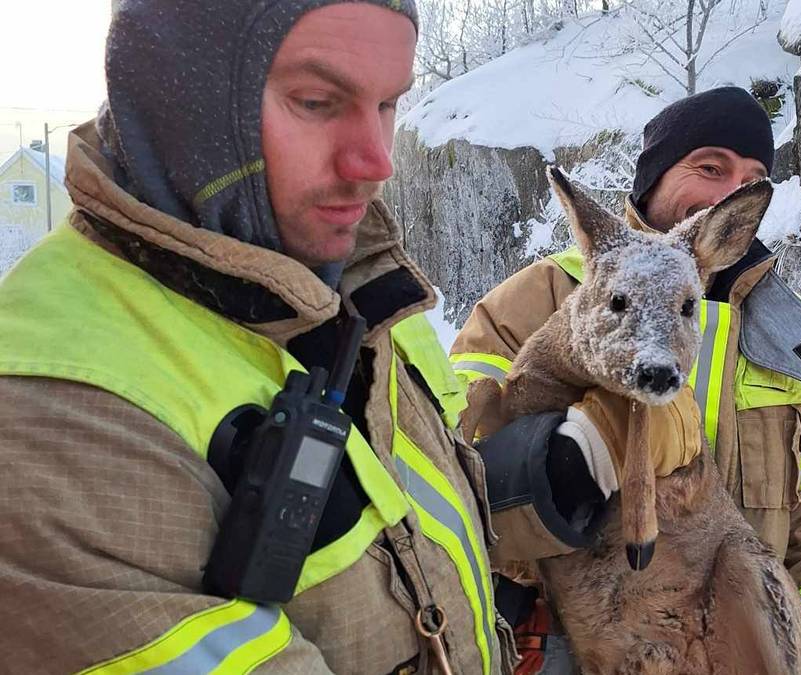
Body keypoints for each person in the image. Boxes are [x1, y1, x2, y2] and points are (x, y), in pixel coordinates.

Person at [0, 2, 595, 672]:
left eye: (389, 103)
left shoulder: (349, 281)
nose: (376, 162)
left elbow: (417, 526)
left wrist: (564, 470)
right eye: (317, 101)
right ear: (181, 102)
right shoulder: (53, 422)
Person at [452, 86, 801, 668]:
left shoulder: (796, 337)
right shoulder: (542, 297)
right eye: (710, 167)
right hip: (566, 648)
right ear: (653, 178)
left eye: (753, 175)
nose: (731, 189)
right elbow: (446, 469)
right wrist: (560, 465)